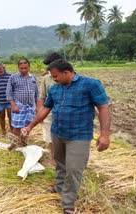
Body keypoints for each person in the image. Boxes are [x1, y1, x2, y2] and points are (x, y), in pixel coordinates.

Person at [22, 59, 111, 214]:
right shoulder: (55, 89)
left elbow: (103, 108)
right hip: (58, 132)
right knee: (60, 163)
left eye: (56, 76)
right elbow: (45, 109)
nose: (53, 79)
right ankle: (59, 186)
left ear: (67, 73)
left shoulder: (90, 84)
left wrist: (104, 135)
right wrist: (30, 126)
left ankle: (68, 203)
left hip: (79, 135)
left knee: (74, 169)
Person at [6, 58, 40, 144]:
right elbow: (8, 92)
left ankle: (23, 143)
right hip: (19, 105)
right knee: (17, 126)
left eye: (25, 68)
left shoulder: (33, 77)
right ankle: (15, 144)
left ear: (29, 67)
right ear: (18, 68)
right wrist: (13, 106)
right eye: (21, 68)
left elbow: (36, 92)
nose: (23, 70)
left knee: (27, 126)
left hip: (31, 106)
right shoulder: (13, 77)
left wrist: (37, 106)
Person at [39, 52, 63, 163]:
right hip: (49, 112)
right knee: (50, 137)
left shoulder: (68, 76)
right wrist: (40, 114)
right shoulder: (46, 79)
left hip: (64, 112)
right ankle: (54, 158)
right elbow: (42, 96)